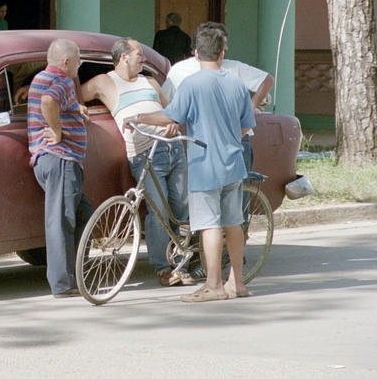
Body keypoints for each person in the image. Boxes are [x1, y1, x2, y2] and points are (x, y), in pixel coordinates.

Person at [125, 23, 255, 302]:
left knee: (209, 225)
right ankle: (238, 283)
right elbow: (246, 126)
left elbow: (170, 117)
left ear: (196, 54)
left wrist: (139, 118)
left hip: (204, 164)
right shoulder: (236, 82)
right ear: (222, 53)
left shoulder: (192, 84)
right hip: (233, 163)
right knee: (234, 224)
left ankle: (214, 286)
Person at [81, 38, 195, 287]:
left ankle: (180, 265)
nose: (142, 59)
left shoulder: (150, 81)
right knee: (159, 212)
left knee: (181, 210)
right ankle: (163, 268)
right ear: (123, 57)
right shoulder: (104, 82)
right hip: (145, 154)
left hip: (173, 148)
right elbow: (75, 93)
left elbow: (171, 111)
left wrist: (173, 123)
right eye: (138, 54)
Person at [162, 22, 274, 176]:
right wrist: (171, 121)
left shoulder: (233, 68)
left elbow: (266, 80)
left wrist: (250, 107)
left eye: (224, 44)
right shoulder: (180, 71)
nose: (225, 49)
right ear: (198, 48)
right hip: (201, 139)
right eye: (221, 44)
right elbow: (166, 102)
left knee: (240, 190)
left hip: (237, 138)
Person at [27, 38, 93, 298]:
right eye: (78, 60)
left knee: (84, 214)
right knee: (61, 220)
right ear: (66, 61)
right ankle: (63, 284)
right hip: (60, 158)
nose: (79, 64)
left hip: (53, 160)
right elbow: (48, 102)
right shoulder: (63, 80)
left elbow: (54, 100)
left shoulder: (42, 77)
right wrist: (56, 131)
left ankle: (77, 274)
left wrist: (76, 108)